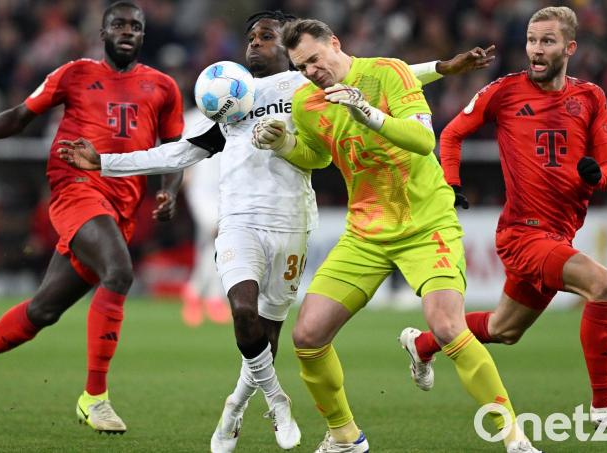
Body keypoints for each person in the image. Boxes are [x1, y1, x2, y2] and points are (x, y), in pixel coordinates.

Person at [59, 11, 497, 452]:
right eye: (250, 37)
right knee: (242, 311)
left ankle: (235, 404)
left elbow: (384, 73)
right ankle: (276, 401)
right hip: (239, 220)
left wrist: (444, 68)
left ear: (289, 53)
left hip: (291, 222)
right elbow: (180, 152)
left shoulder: (307, 88)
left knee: (268, 336)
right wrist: (106, 163)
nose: (254, 43)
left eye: (265, 36)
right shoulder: (233, 98)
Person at [251, 18, 539, 453]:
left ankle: (514, 438)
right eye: (301, 66)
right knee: (307, 336)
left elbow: (423, 140)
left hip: (425, 224)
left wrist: (365, 111)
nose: (310, 72)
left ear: (335, 43)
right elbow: (318, 156)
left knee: (447, 327)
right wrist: (283, 144)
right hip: (365, 233)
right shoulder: (306, 102)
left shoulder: (389, 73)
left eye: (314, 59)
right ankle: (345, 437)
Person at [0, 2, 185, 434]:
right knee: (119, 271)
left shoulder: (163, 86)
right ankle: (94, 399)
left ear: (143, 35)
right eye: (118, 25)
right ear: (102, 34)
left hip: (121, 206)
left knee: (43, 311)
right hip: (75, 190)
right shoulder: (75, 73)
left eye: (135, 27)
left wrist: (170, 191)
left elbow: (175, 150)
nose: (127, 31)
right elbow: (22, 114)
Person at [406, 5, 607, 431]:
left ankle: (422, 344)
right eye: (531, 40)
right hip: (523, 234)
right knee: (603, 286)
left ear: (570, 48)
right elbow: (451, 133)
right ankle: (605, 403)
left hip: (559, 234)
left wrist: (595, 175)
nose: (536, 50)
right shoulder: (504, 91)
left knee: (504, 329)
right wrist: (451, 182)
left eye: (547, 41)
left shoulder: (591, 97)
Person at [180, 108, 230, 327]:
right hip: (201, 191)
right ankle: (212, 297)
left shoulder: (234, 114)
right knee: (218, 234)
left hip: (228, 189)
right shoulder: (190, 119)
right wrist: (182, 176)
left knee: (210, 244)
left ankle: (196, 291)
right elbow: (180, 153)